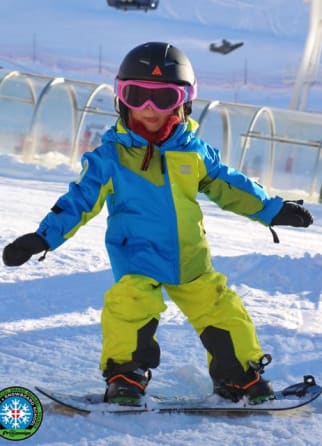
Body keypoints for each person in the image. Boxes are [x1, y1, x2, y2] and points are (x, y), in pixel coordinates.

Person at [2, 42, 313, 406]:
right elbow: (78, 200)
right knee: (129, 304)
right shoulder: (111, 157)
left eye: (163, 98)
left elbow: (231, 184)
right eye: (137, 96)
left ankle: (239, 376)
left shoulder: (193, 151)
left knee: (222, 308)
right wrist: (43, 237)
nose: (149, 110)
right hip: (137, 257)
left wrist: (271, 210)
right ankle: (125, 375)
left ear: (183, 101)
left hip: (190, 258)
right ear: (121, 98)